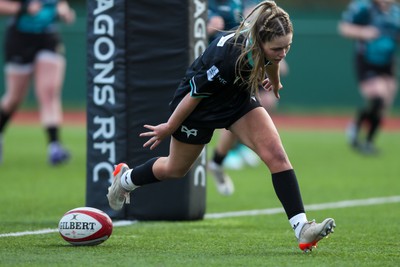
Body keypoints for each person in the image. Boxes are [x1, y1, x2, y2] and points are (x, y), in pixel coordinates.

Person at [107, 1, 335, 252]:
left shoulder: (269, 47)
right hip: (200, 107)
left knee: (277, 156)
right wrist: (169, 127)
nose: (283, 52)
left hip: (237, 101)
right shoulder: (229, 56)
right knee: (175, 169)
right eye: (277, 48)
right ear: (260, 41)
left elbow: (273, 62)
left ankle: (302, 229)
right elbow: (194, 95)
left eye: (288, 46)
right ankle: (126, 179)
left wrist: (275, 82)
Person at [207, 0, 289, 196]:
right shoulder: (203, 5)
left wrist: (274, 75)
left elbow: (256, 21)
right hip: (217, 66)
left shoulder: (239, 3)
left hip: (245, 62)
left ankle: (225, 157)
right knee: (176, 165)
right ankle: (225, 157)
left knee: (258, 106)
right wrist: (209, 23)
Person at [0, 0, 75, 165]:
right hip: (19, 40)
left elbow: (60, 4)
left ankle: (54, 146)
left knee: (49, 92)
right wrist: (23, 8)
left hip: (48, 38)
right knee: (14, 98)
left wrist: (64, 11)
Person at [338, 0, 399, 155]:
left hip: (387, 63)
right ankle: (359, 131)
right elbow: (344, 28)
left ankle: (368, 141)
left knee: (383, 105)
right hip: (367, 61)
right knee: (378, 96)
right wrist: (364, 32)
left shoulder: (395, 13)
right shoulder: (364, 8)